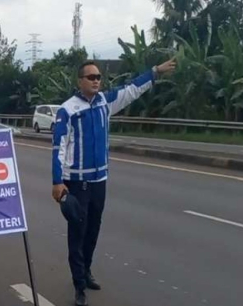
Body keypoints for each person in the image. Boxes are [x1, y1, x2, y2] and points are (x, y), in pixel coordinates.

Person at [52, 58, 176, 306]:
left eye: (98, 77)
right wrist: (57, 181)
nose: (96, 80)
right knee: (77, 234)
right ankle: (79, 286)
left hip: (100, 181)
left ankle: (86, 272)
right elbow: (59, 147)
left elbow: (131, 89)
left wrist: (155, 72)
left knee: (93, 231)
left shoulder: (105, 103)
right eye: (91, 77)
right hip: (77, 183)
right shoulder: (68, 110)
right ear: (80, 81)